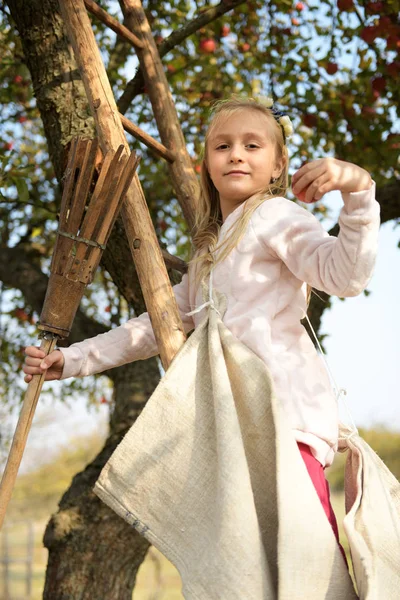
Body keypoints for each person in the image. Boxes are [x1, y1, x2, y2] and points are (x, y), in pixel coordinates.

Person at [23, 96, 380, 557]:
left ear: (278, 167)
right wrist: (70, 359)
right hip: (233, 427)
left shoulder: (275, 216)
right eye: (222, 146)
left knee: (306, 560)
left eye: (252, 145)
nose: (236, 154)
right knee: (249, 570)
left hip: (284, 419)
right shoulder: (210, 254)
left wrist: (358, 191)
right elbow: (154, 327)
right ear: (206, 164)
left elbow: (344, 276)